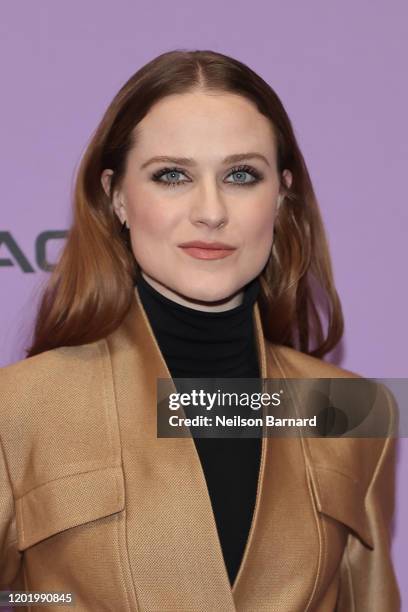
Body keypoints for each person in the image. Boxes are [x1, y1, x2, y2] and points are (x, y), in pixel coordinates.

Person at [0, 49, 400, 611]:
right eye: (172, 175)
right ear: (116, 196)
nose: (210, 211)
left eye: (241, 175)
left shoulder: (351, 410)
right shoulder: (17, 409)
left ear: (282, 195)